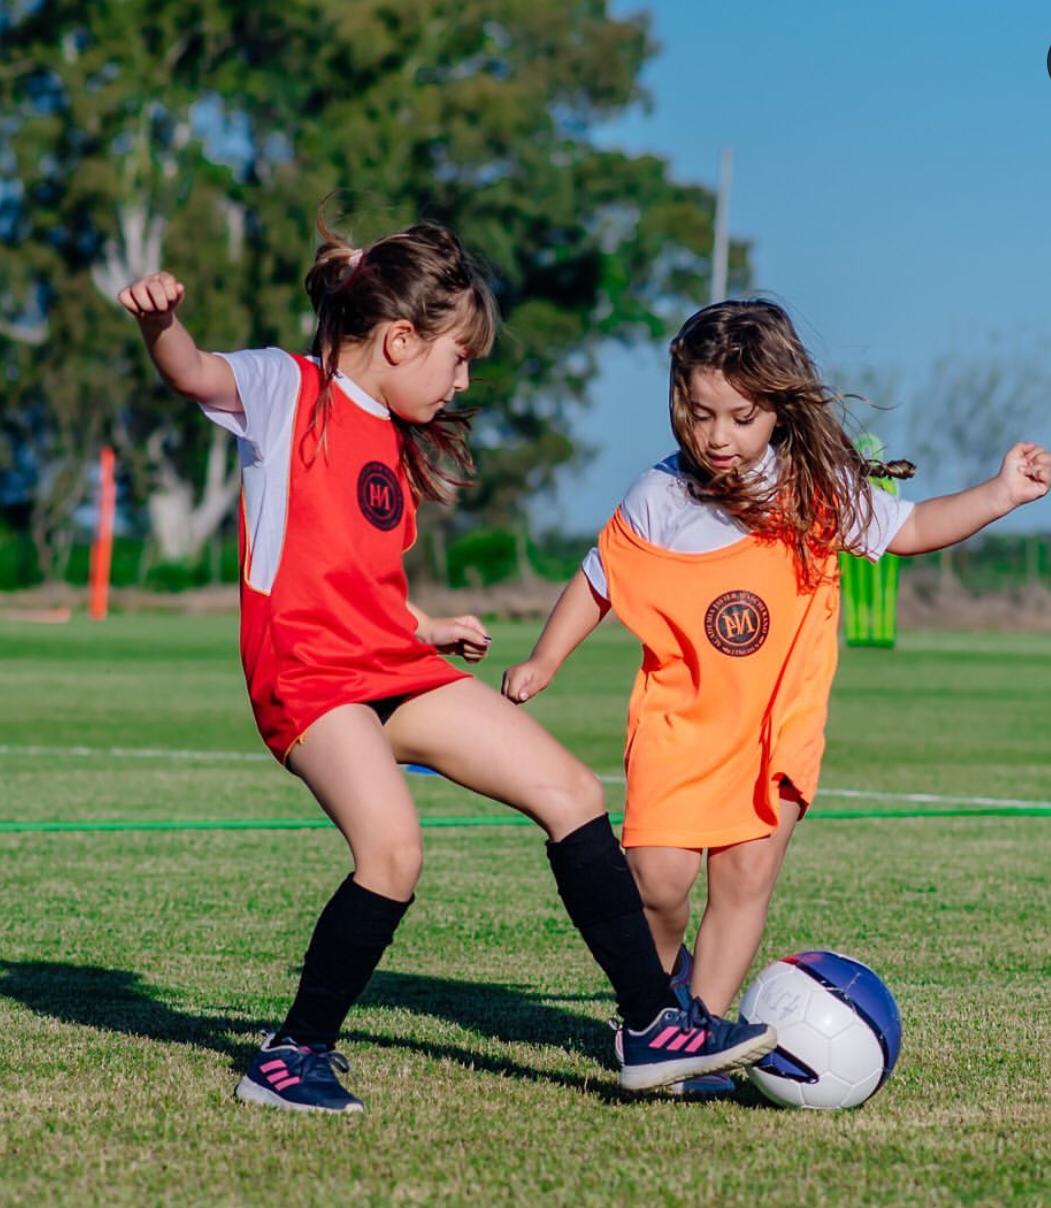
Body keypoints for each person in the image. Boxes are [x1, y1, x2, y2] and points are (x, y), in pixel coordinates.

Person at [118, 223, 775, 1114]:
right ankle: (289, 1055)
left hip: (389, 663)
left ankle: (651, 1026)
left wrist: (423, 626)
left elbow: (348, 572)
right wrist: (162, 323)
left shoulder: (389, 430)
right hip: (309, 680)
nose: (463, 379)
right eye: (457, 357)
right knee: (391, 853)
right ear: (398, 340)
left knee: (572, 792)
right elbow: (193, 371)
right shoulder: (288, 390)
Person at [503, 299, 1050, 1092]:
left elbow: (908, 528)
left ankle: (695, 1036)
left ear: (777, 409)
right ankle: (659, 1010)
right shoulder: (658, 495)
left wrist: (999, 494)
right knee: (654, 885)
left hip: (774, 730)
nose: (718, 436)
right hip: (680, 726)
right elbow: (598, 579)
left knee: (744, 881)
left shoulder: (813, 487)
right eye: (699, 415)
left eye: (740, 416)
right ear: (677, 405)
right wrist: (543, 659)